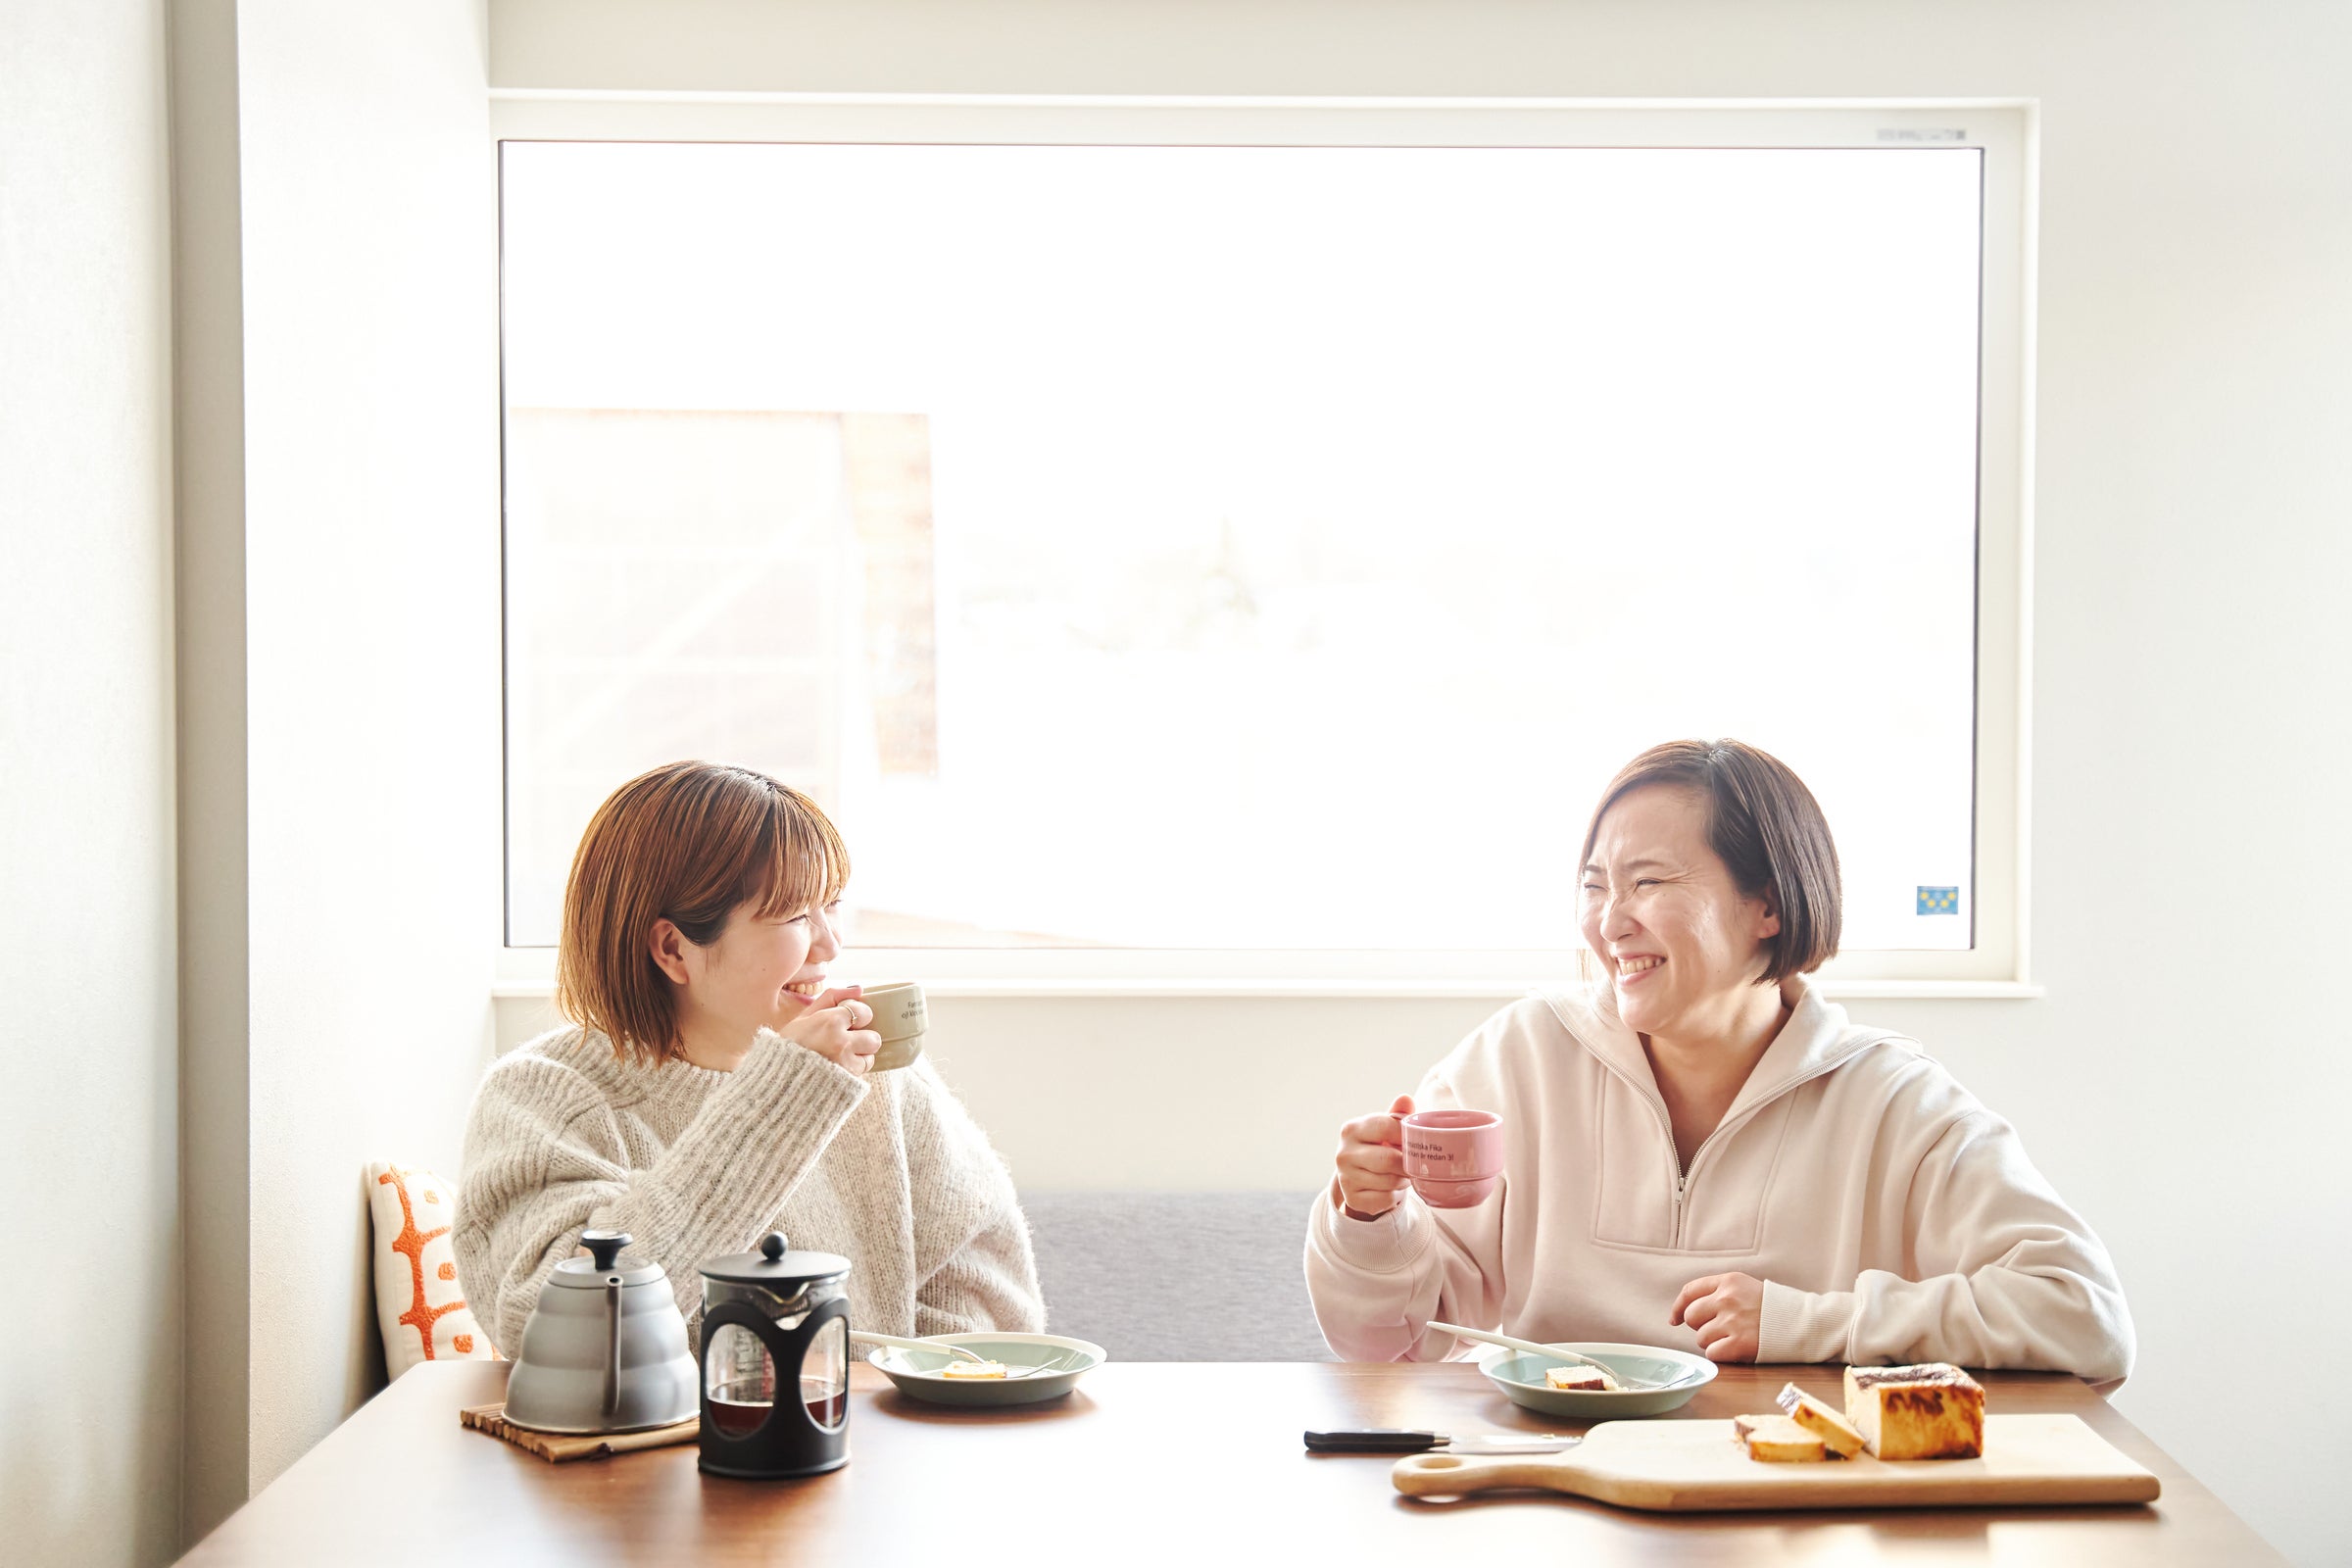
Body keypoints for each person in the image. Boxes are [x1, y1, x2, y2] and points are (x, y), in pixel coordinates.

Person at [1305, 739, 2132, 1380]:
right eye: (1595, 885)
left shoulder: (1892, 1102)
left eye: (1648, 883)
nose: (1609, 922)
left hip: (1779, 1495)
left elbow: (2084, 1316)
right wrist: (1370, 1219)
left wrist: (1807, 1324)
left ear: (1767, 905)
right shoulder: (1520, 1055)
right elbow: (1388, 1344)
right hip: (1543, 1483)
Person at [458, 761, 1044, 1352]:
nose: (831, 943)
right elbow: (553, 1328)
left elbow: (989, 1313)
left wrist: (893, 1393)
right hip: (666, 1420)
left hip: (872, 1416)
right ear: (673, 949)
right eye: (796, 914)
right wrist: (785, 1100)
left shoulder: (876, 1075)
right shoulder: (543, 1096)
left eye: (832, 905)